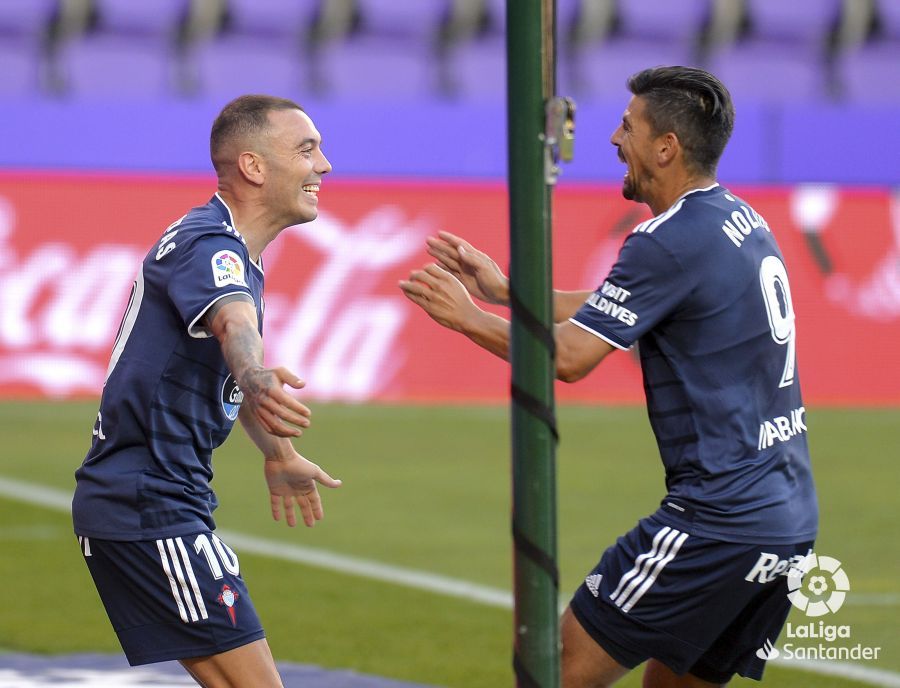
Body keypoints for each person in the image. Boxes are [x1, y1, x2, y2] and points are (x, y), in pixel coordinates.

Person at [399, 66, 818, 687]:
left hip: (715, 521)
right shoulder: (738, 219)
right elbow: (625, 302)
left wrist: (467, 319)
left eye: (628, 127)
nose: (615, 140)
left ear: (666, 147)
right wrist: (509, 291)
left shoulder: (666, 239)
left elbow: (568, 358)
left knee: (554, 669)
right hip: (788, 521)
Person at [72, 95, 341, 687]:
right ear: (252, 166)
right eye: (306, 149)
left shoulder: (229, 251)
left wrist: (280, 453)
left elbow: (226, 357)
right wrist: (254, 373)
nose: (323, 165)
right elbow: (233, 326)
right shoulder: (210, 246)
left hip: (149, 500)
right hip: (151, 503)